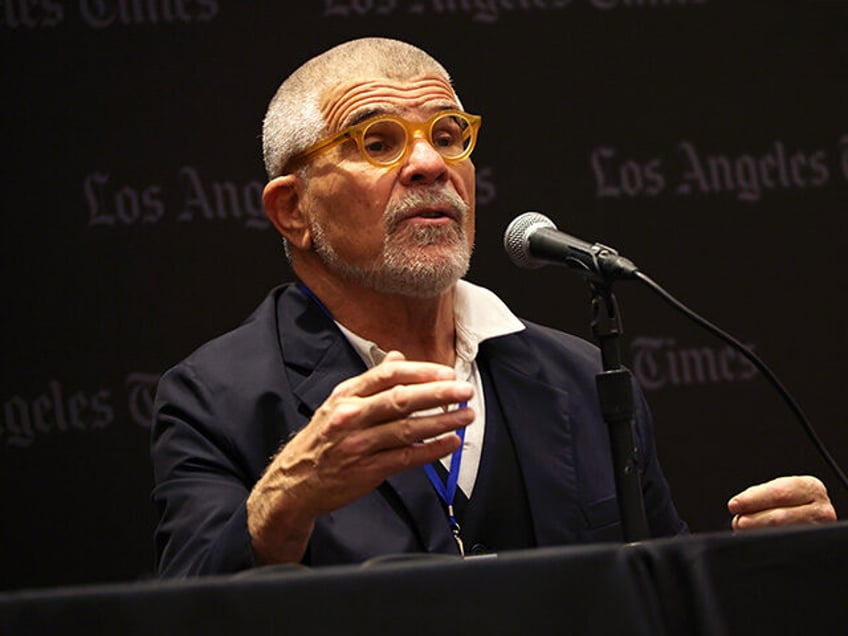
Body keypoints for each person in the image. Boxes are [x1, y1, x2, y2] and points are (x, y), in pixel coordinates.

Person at [150, 37, 836, 577]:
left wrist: (776, 566)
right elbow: (186, 613)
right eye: (378, 142)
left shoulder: (576, 376)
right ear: (292, 210)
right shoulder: (218, 397)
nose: (429, 165)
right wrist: (288, 498)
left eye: (448, 136)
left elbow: (662, 594)